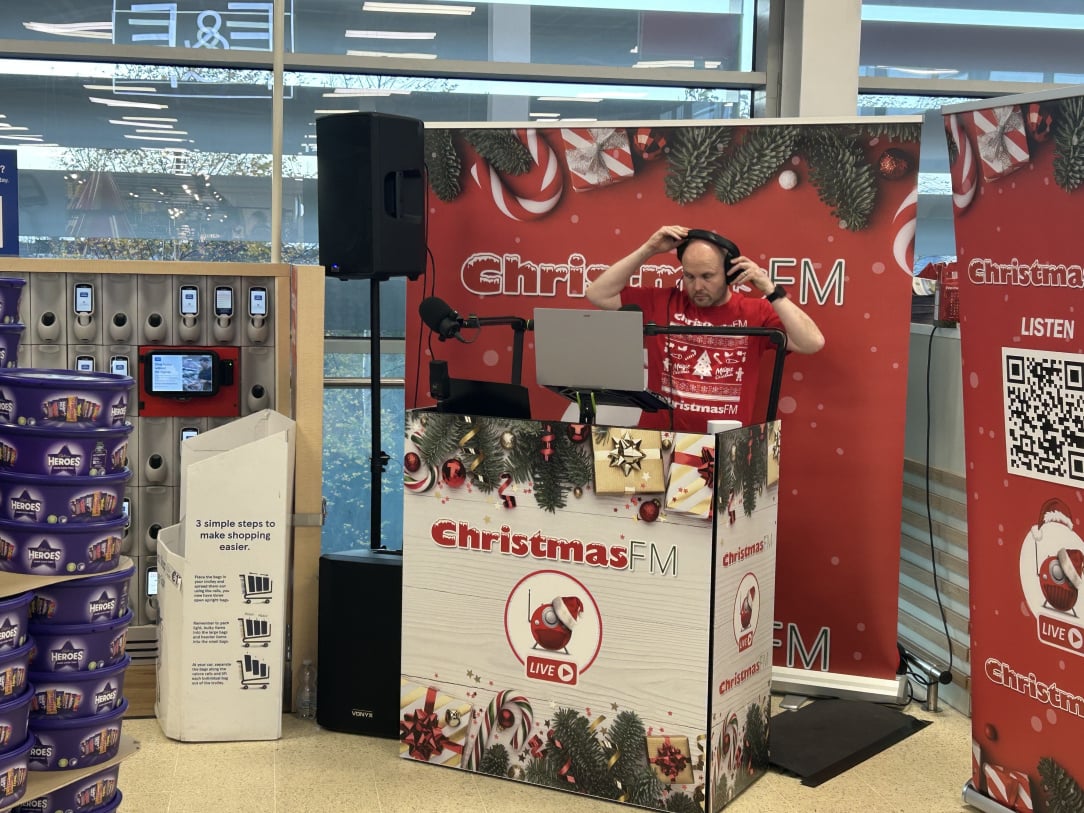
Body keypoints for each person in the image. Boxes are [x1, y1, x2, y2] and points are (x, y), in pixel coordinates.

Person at [585, 224, 825, 431]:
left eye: (707, 276)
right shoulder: (662, 301)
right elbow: (598, 294)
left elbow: (812, 342)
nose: (697, 286)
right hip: (659, 443)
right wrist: (648, 249)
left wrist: (771, 290)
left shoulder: (755, 312)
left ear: (730, 274)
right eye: (690, 276)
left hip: (722, 448)